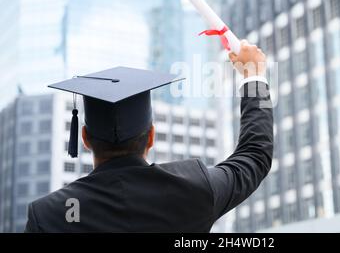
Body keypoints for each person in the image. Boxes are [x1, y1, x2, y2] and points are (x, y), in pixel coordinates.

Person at [24, 40, 273, 232]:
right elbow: (254, 156)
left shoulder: (48, 214)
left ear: (85, 138)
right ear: (151, 136)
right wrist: (254, 76)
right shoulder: (194, 187)